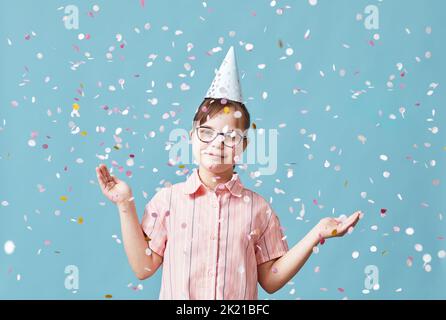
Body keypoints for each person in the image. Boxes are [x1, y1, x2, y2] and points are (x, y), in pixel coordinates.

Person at [95, 47, 362, 299]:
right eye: (207, 133)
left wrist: (316, 233)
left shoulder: (259, 209)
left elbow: (270, 280)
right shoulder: (168, 201)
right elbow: (143, 267)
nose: (217, 143)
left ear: (242, 147)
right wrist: (124, 204)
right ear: (192, 138)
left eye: (230, 136)